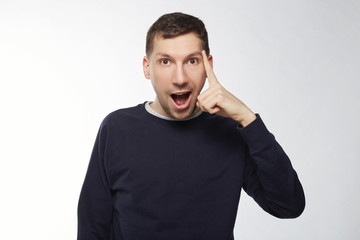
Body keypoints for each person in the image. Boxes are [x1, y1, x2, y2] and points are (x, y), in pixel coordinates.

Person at [77, 12, 305, 240]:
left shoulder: (230, 131)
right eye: (165, 61)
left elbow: (289, 205)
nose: (180, 78)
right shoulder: (117, 129)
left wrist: (248, 119)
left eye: (192, 61)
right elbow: (92, 227)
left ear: (208, 66)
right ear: (147, 68)